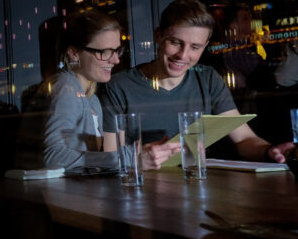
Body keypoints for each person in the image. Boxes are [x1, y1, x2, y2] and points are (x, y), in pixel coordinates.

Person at [99, 0, 295, 163]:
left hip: (198, 185)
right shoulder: (118, 86)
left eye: (195, 47)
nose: (183, 55)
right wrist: (138, 159)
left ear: (205, 46)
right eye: (175, 42)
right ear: (158, 36)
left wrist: (269, 151)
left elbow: (243, 139)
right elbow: (109, 158)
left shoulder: (207, 78)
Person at [16, 11, 179, 172]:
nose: (116, 60)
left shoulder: (91, 97)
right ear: (73, 53)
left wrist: (137, 152)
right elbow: (53, 156)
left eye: (116, 51)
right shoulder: (66, 87)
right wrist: (129, 158)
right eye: (105, 52)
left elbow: (93, 162)